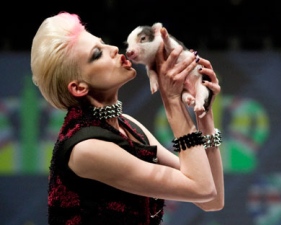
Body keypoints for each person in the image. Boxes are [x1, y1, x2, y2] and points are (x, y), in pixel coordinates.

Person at [30, 11, 224, 225]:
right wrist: (171, 101)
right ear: (78, 87)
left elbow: (211, 200)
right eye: (97, 54)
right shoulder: (86, 148)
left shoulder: (129, 126)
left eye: (104, 44)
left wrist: (203, 112)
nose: (113, 49)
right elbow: (201, 187)